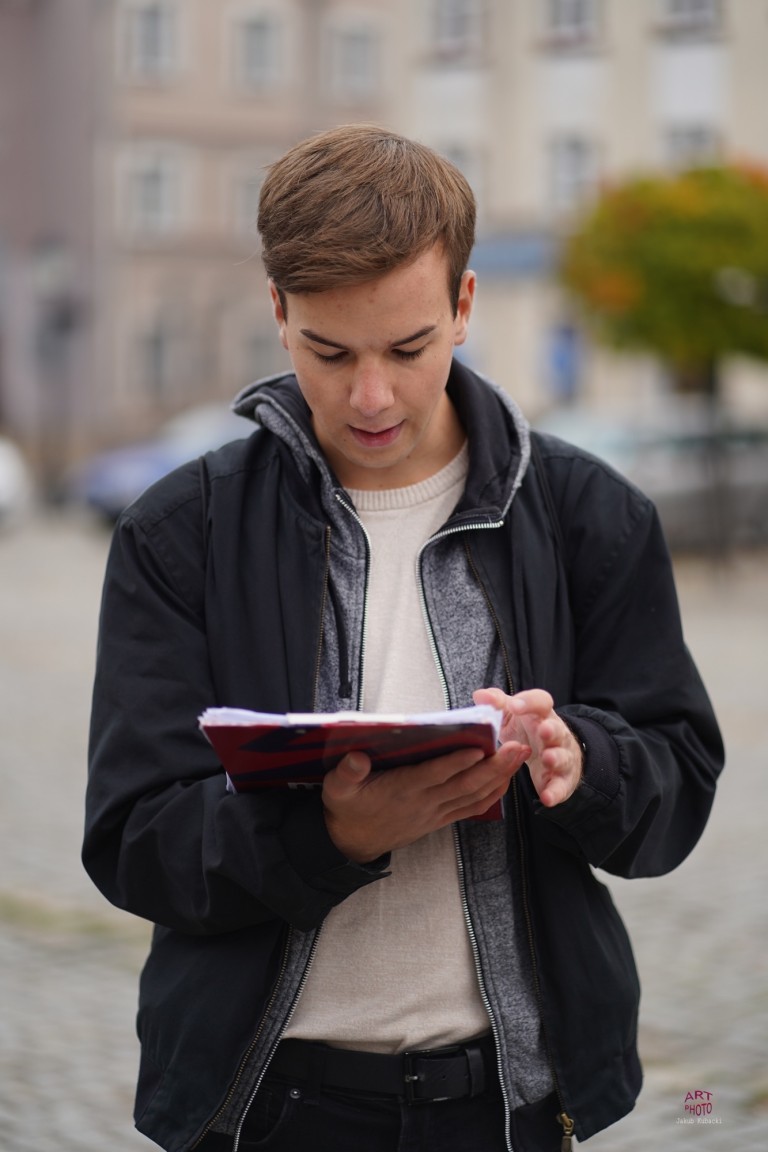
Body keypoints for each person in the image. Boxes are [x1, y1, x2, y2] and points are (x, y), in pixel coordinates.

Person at [83, 124, 724, 1152]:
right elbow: (133, 841)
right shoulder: (179, 533)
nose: (371, 395)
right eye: (331, 352)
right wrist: (329, 837)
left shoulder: (592, 515)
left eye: (408, 348)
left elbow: (678, 783)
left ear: (464, 305)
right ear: (279, 311)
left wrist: (584, 765)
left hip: (506, 1106)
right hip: (264, 1104)